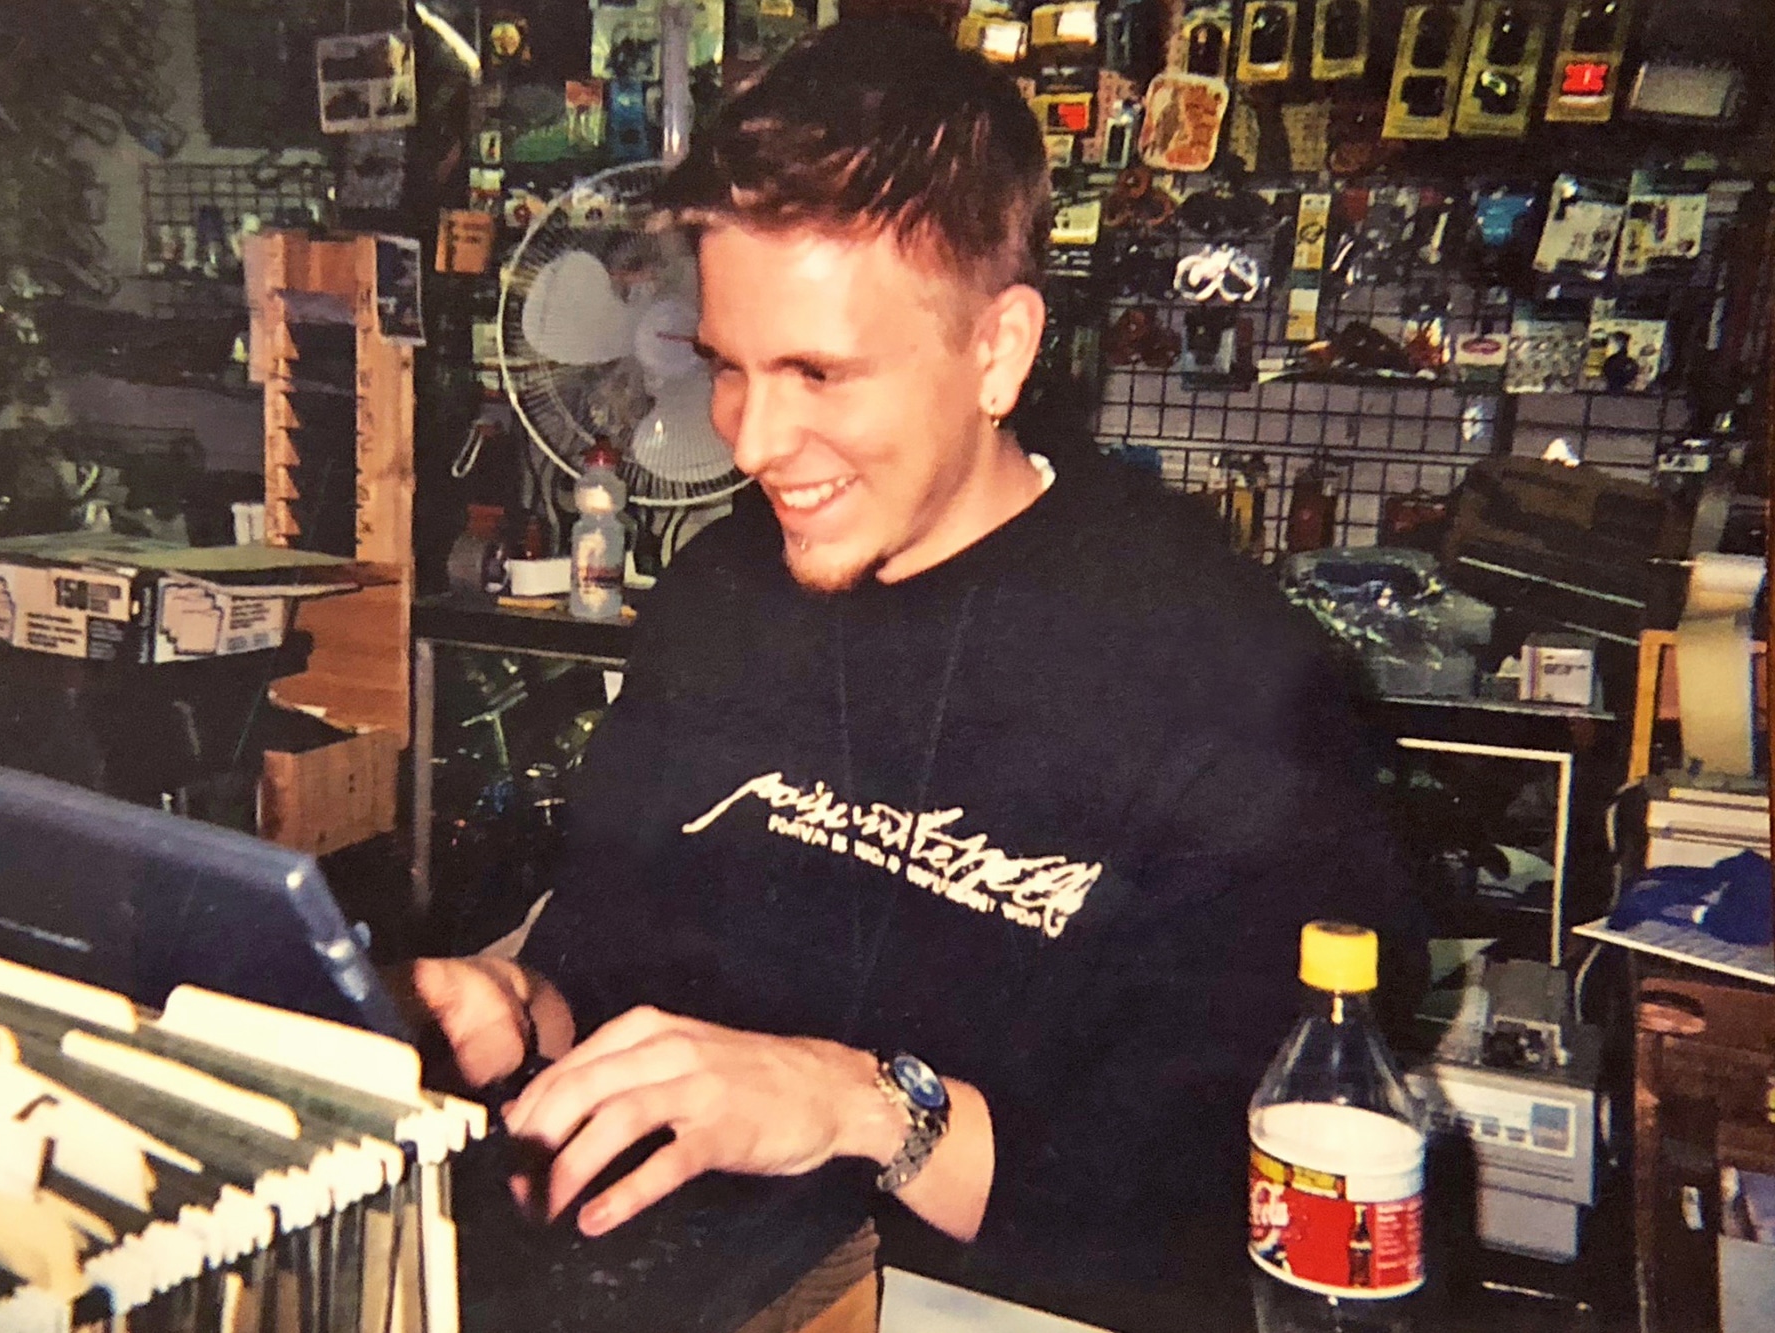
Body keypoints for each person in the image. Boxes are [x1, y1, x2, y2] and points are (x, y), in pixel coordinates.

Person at [416, 17, 1424, 1332]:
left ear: (999, 351)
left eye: (817, 371)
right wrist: (514, 1015)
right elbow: (601, 979)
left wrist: (856, 1104)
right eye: (726, 365)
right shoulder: (720, 596)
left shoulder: (1237, 689)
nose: (753, 439)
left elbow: (1208, 1212)